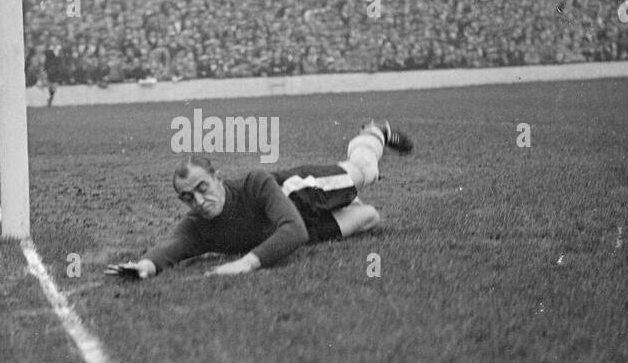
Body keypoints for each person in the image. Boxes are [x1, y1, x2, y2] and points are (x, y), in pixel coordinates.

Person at [105, 120, 413, 280]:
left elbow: (294, 232)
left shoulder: (255, 184)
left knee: (364, 171)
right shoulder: (197, 226)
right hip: (307, 227)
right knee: (370, 216)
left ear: (218, 178)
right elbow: (170, 248)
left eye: (202, 188)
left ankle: (373, 134)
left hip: (304, 195)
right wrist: (144, 266)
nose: (198, 200)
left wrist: (247, 263)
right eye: (187, 198)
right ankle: (352, 203)